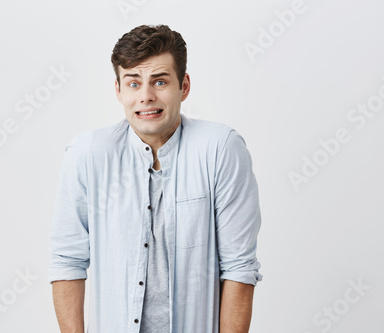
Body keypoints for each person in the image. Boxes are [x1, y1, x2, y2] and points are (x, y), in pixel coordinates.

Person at [49, 24, 262, 333]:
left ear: (184, 86)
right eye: (133, 83)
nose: (146, 97)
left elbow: (239, 268)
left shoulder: (221, 149)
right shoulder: (87, 155)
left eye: (159, 81)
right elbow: (67, 262)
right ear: (119, 90)